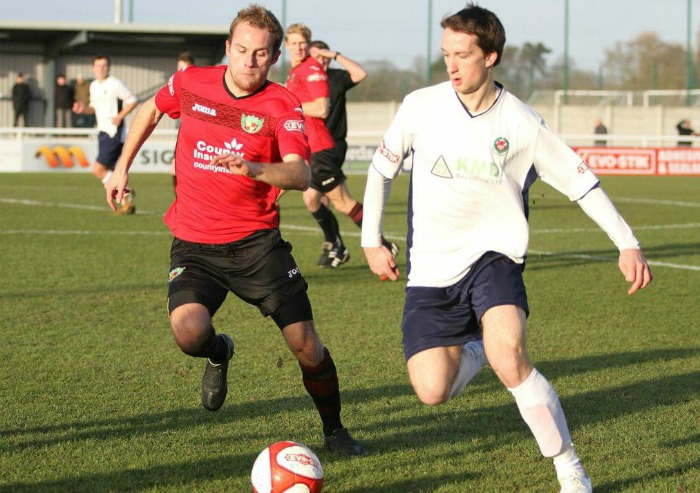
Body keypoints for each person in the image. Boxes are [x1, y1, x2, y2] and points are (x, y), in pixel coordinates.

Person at [361, 4, 653, 493]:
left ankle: (570, 469)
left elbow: (582, 183)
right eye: (445, 55)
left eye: (463, 55)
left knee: (511, 355)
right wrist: (371, 241)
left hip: (493, 259)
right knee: (432, 390)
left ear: (490, 55)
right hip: (431, 269)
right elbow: (380, 172)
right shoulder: (419, 106)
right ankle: (475, 352)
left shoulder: (522, 122)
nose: (451, 66)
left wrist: (627, 242)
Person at [103, 3, 365, 456]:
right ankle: (219, 351)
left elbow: (300, 174)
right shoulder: (191, 82)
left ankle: (335, 430)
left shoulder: (282, 103)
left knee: (305, 344)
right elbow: (149, 110)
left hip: (256, 246)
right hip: (195, 243)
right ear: (228, 47)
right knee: (188, 333)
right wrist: (121, 168)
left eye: (261, 53)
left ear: (275, 56)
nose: (249, 61)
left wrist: (255, 169)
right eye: (241, 49)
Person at [285, 24, 397, 268]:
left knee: (342, 202)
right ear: (286, 46)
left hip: (323, 148)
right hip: (313, 147)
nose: (298, 47)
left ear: (309, 44)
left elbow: (320, 108)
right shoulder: (295, 71)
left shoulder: (312, 67)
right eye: (293, 43)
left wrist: (288, 108)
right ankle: (335, 245)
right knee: (311, 200)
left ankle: (381, 245)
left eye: (302, 42)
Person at [73, 56, 138, 215]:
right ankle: (125, 200)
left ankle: (127, 195)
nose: (101, 68)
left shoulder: (115, 83)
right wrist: (83, 110)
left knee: (97, 169)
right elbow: (94, 108)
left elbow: (132, 100)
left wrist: (119, 117)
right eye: (98, 66)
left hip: (113, 133)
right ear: (93, 68)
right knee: (109, 170)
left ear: (108, 67)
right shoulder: (94, 86)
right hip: (102, 132)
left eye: (104, 66)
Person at [309, 40, 366, 168]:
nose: (323, 61)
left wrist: (336, 55)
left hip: (335, 145)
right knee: (323, 184)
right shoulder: (303, 79)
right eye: (318, 57)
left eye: (326, 57)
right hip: (313, 144)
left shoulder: (337, 77)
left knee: (320, 184)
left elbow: (360, 74)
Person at [170, 51, 196, 195]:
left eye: (184, 68)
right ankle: (180, 201)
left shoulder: (197, 88)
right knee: (174, 167)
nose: (181, 72)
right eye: (179, 68)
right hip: (184, 134)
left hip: (197, 136)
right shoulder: (175, 86)